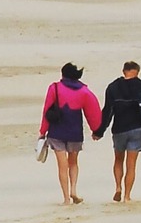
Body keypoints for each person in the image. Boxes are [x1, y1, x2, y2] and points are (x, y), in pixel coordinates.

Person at [93, 61, 141, 202]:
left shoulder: (113, 87)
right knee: (131, 164)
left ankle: (118, 187)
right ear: (137, 71)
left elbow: (107, 112)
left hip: (119, 129)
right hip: (137, 129)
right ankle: (127, 196)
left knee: (118, 160)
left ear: (124, 71)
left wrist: (99, 131)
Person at [40, 63, 103, 205]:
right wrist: (96, 130)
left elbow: (46, 110)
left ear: (63, 74)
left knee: (62, 165)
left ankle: (66, 198)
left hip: (56, 132)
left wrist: (42, 131)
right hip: (75, 132)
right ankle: (74, 190)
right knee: (73, 162)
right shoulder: (84, 92)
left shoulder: (54, 88)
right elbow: (92, 113)